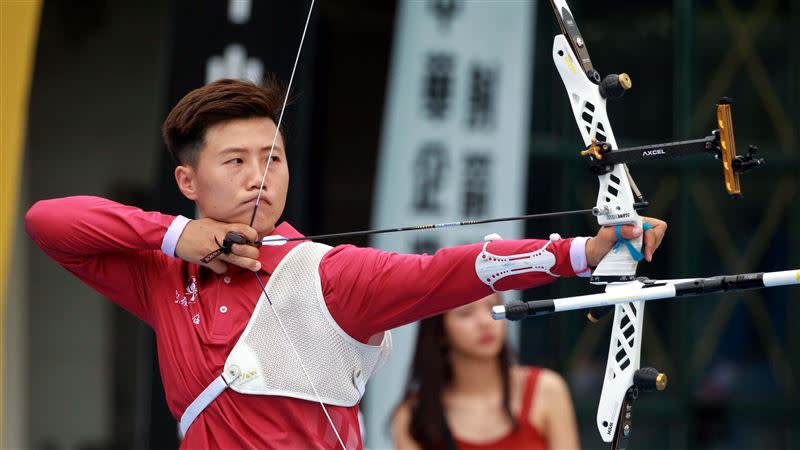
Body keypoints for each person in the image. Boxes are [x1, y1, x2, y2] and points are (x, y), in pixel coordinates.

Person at [24, 78, 666, 449]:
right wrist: (177, 236)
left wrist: (582, 252)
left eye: (271, 159)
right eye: (235, 161)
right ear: (187, 180)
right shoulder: (163, 274)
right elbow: (49, 222)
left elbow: (452, 271)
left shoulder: (328, 274)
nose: (258, 179)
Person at [392, 293, 579, 450]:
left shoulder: (546, 389)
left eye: (493, 307)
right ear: (439, 330)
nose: (485, 322)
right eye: (466, 313)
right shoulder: (414, 415)